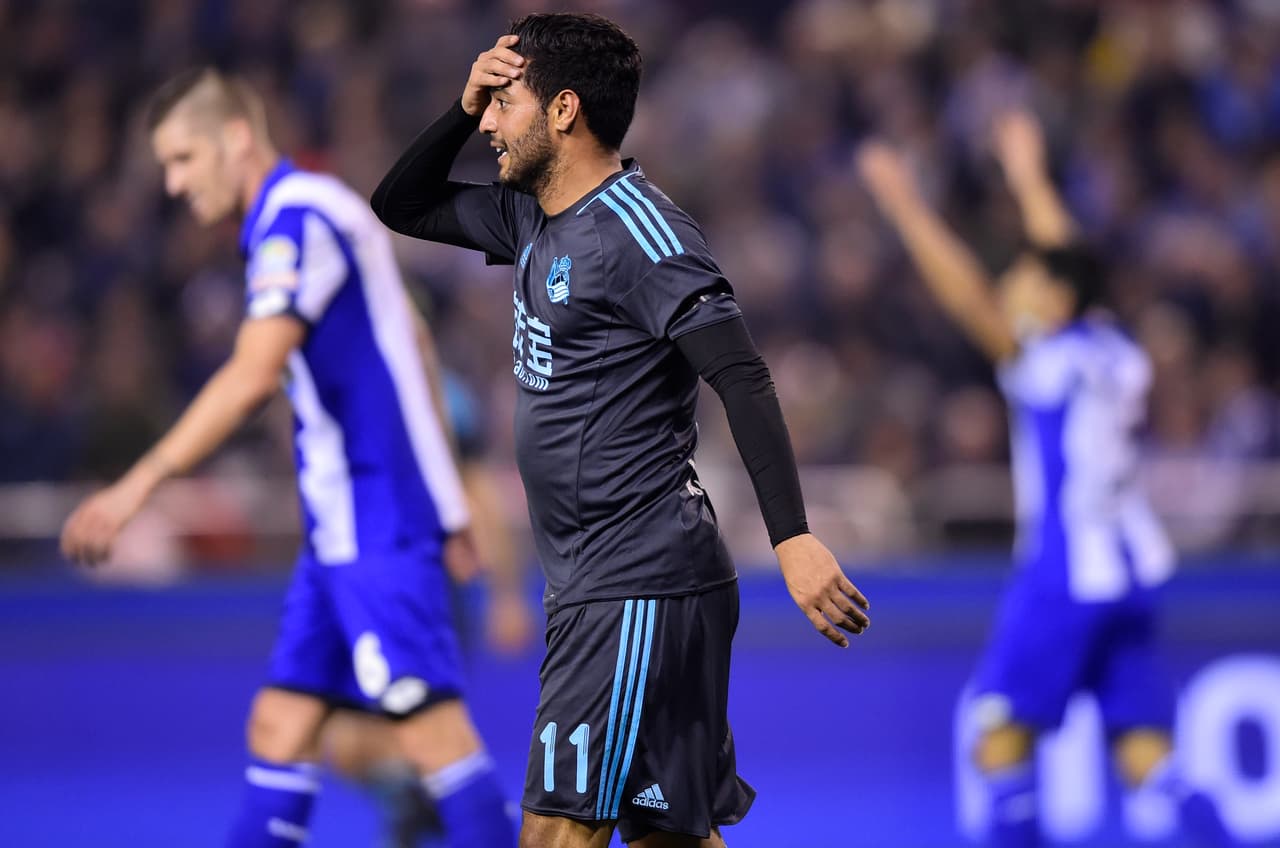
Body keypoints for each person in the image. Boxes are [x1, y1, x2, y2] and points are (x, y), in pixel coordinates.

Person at [371, 12, 871, 848]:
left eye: (504, 102)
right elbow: (401, 204)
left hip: (636, 582)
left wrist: (792, 537)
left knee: (554, 835)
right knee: (667, 838)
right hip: (599, 584)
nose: (489, 123)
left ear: (563, 109)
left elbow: (741, 376)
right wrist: (461, 106)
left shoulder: (643, 233)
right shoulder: (530, 217)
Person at [59, 68, 515, 848]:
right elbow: (414, 346)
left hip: (375, 517)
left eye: (182, 159)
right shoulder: (317, 214)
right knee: (282, 724)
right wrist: (446, 503)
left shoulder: (296, 219)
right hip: (346, 522)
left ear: (236, 138)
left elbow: (251, 375)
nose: (172, 184)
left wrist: (136, 485)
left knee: (431, 735)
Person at [857, 112, 1238, 847]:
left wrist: (903, 204)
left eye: (1026, 280)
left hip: (1066, 574)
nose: (1013, 287)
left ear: (1057, 301)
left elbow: (967, 295)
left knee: (999, 742)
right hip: (1132, 574)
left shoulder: (1046, 360)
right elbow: (1070, 261)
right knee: (1150, 759)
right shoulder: (1115, 351)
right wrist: (1029, 175)